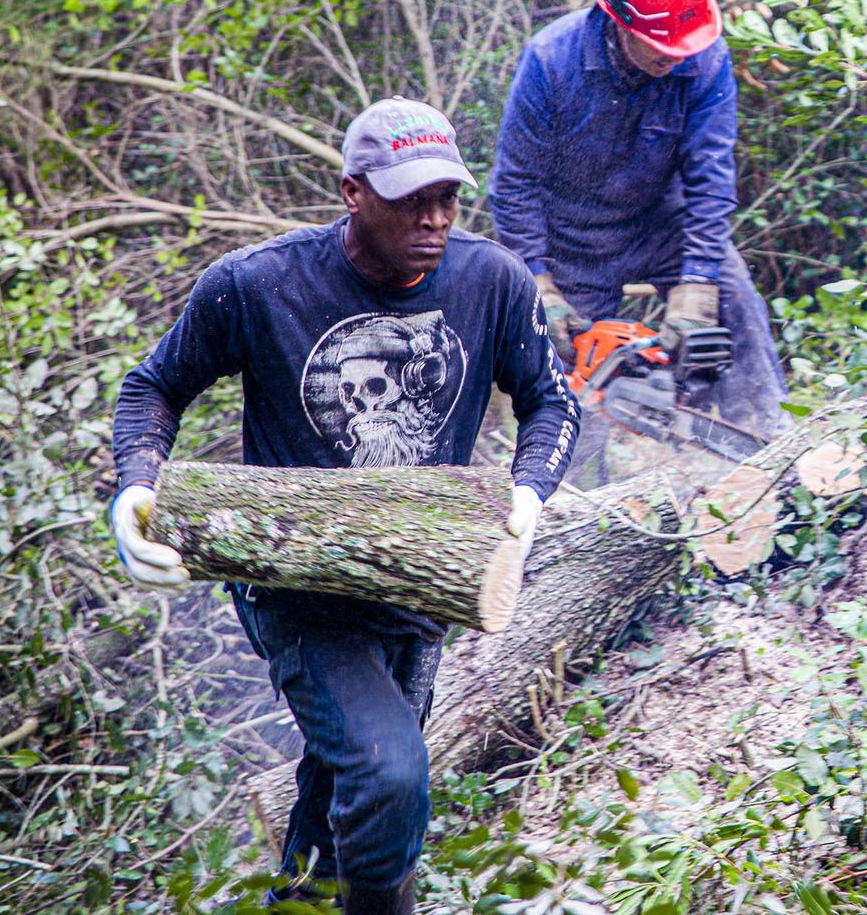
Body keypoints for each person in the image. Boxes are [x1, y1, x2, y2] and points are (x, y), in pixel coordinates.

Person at [106, 97, 580, 915]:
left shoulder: (490, 281)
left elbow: (553, 399)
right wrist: (136, 488)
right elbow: (154, 385)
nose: (432, 219)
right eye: (410, 199)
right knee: (390, 770)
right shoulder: (258, 285)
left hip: (423, 580)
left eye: (447, 198)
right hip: (295, 586)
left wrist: (530, 491)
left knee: (343, 786)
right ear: (353, 191)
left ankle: (299, 900)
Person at [490, 0, 789, 476]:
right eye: (664, 46)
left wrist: (698, 284)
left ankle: (771, 444)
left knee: (734, 296)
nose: (677, 56)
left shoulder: (704, 60)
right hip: (569, 240)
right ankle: (574, 508)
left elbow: (711, 179)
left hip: (658, 223)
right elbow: (515, 185)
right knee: (571, 384)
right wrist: (536, 282)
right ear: (619, 22)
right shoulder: (550, 61)